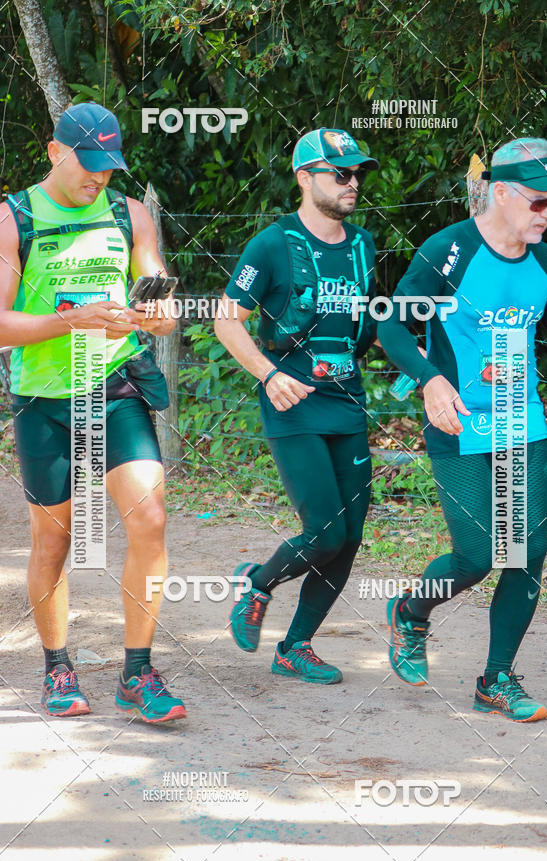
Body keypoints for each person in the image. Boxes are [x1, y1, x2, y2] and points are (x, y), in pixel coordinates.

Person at [378, 137, 547, 722]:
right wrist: (428, 379)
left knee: (526, 551)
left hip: (521, 423)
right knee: (476, 555)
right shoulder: (448, 251)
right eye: (538, 203)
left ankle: (496, 679)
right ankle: (411, 612)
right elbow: (392, 328)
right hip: (458, 421)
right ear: (500, 192)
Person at [0, 102, 186, 722]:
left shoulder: (129, 214)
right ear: (55, 152)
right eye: (89, 164)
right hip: (46, 399)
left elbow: (158, 288)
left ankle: (138, 671)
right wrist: (69, 321)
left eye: (109, 167)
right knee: (55, 538)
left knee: (150, 518)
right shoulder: (13, 219)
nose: (99, 178)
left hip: (114, 385)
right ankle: (58, 666)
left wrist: (160, 312)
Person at [215, 128, 379, 683]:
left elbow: (367, 323)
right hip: (293, 401)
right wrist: (269, 374)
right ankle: (256, 583)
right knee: (325, 531)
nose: (352, 182)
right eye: (341, 173)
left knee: (351, 534)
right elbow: (226, 318)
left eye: (357, 173)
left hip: (347, 400)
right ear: (305, 178)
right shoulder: (272, 244)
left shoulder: (363, 245)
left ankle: (295, 647)